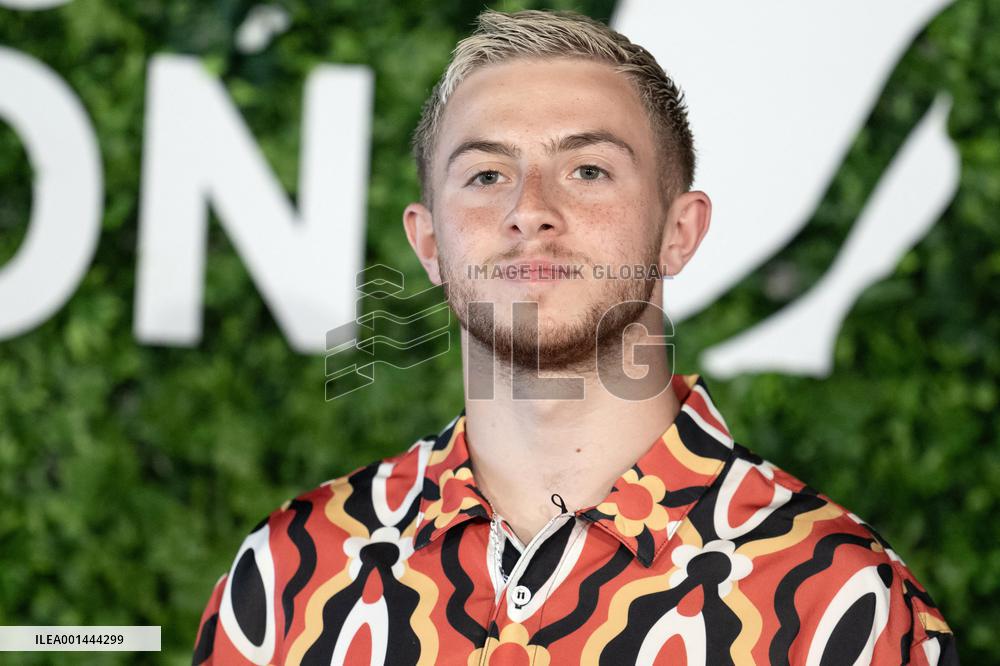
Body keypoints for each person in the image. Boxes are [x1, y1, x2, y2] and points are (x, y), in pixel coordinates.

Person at [193, 8, 957, 665]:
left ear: (679, 232)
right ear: (429, 246)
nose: (530, 210)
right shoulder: (290, 572)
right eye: (487, 175)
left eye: (588, 170)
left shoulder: (839, 602)